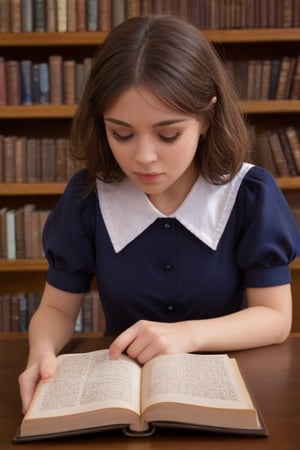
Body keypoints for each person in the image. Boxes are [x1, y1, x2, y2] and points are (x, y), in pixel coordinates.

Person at [19, 15, 300, 414]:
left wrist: (186, 335)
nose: (144, 157)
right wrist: (41, 354)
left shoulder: (249, 194)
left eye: (169, 135)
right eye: (121, 133)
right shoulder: (88, 198)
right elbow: (57, 309)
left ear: (206, 117)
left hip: (231, 394)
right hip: (119, 397)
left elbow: (274, 318)